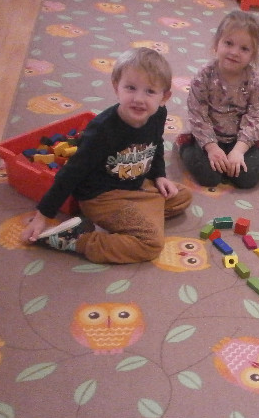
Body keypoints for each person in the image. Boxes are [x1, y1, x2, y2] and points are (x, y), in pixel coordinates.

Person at [20, 47, 192, 263]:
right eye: (131, 88)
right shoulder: (102, 129)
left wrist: (159, 175)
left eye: (150, 92)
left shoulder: (158, 114)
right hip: (102, 198)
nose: (139, 99)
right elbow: (71, 172)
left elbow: (155, 142)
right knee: (151, 244)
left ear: (164, 97)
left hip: (135, 185)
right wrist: (43, 215)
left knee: (183, 196)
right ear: (116, 87)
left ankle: (140, 220)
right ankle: (77, 239)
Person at [180, 10, 259, 188]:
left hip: (240, 139)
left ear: (253, 54)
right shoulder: (204, 76)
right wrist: (211, 147)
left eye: (244, 48)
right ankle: (184, 146)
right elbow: (198, 114)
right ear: (217, 43)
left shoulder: (256, 82)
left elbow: (256, 118)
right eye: (228, 43)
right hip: (208, 136)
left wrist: (239, 150)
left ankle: (239, 156)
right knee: (209, 177)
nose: (234, 52)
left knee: (247, 178)